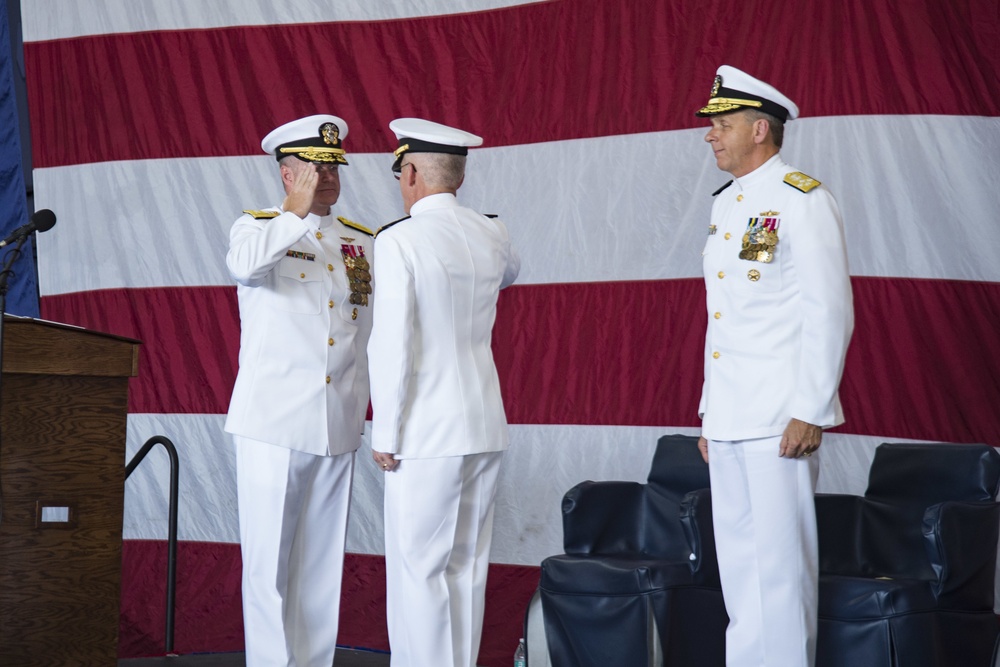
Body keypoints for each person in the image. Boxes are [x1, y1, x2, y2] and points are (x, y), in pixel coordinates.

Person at [694, 66, 854, 667]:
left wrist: (811, 409)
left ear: (761, 129)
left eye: (723, 123)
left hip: (781, 416)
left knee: (780, 573)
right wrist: (711, 412)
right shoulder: (728, 204)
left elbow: (829, 311)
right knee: (739, 571)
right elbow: (726, 321)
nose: (711, 134)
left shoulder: (801, 199)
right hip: (733, 415)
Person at [367, 118, 520, 667]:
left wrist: (384, 429)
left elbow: (393, 346)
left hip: (426, 429)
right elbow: (510, 273)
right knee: (465, 570)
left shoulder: (399, 239)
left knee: (421, 571)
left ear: (411, 172)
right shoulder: (492, 233)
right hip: (483, 422)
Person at [224, 114, 374, 666]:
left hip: (336, 421)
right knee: (269, 567)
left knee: (318, 566)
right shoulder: (257, 229)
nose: (328, 179)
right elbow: (244, 267)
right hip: (274, 422)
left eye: (334, 168)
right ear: (288, 176)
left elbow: (368, 331)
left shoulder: (361, 241)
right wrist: (293, 213)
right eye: (315, 169)